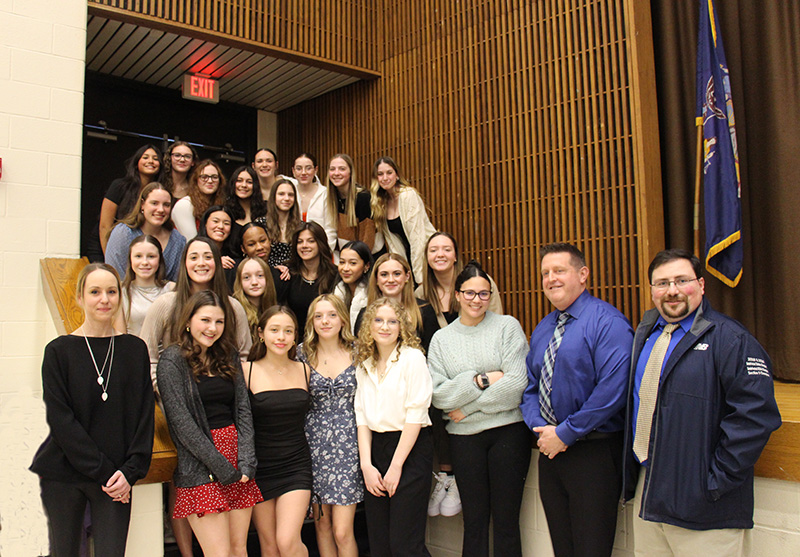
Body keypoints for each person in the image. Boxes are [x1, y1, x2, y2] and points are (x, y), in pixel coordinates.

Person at [622, 249, 781, 556]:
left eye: (682, 280)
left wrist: (713, 483)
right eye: (662, 283)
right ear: (652, 290)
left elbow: (756, 417)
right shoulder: (645, 335)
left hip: (706, 509)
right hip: (650, 496)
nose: (672, 290)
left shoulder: (732, 339)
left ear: (702, 285)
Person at [30, 263, 154, 556]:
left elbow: (143, 416)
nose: (104, 299)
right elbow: (61, 422)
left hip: (117, 478)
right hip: (65, 476)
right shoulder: (59, 351)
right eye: (95, 292)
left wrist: (130, 472)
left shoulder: (134, 349)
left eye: (111, 291)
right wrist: (105, 472)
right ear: (80, 297)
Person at [519, 243, 632, 557]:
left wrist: (566, 433)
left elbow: (613, 390)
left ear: (583, 275)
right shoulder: (544, 328)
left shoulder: (607, 323)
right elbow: (531, 387)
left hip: (593, 454)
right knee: (562, 548)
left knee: (591, 549)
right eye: (545, 273)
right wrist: (543, 429)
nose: (551, 278)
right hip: (552, 452)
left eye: (559, 270)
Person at [427, 261, 530, 555]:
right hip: (464, 440)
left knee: (507, 522)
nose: (477, 300)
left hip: (508, 434)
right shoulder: (441, 340)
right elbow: (440, 396)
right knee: (473, 522)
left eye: (483, 294)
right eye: (469, 293)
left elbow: (516, 385)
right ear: (457, 295)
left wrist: (468, 409)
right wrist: (483, 379)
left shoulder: (507, 327)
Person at [157, 291, 262, 557]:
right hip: (199, 463)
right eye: (205, 320)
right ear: (188, 321)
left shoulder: (228, 354)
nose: (212, 328)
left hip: (236, 456)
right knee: (219, 553)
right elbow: (182, 425)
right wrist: (220, 466)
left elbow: (242, 409)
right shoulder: (172, 360)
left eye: (219, 322)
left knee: (239, 549)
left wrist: (247, 458)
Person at [354, 298, 433, 557]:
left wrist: (396, 466)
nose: (385, 327)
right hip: (375, 451)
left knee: (405, 545)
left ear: (402, 326)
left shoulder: (413, 359)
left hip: (409, 450)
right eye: (378, 320)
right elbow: (362, 417)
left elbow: (416, 414)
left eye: (392, 321)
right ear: (369, 326)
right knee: (380, 545)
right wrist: (366, 465)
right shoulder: (363, 364)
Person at [140, 237, 252, 390]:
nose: (201, 263)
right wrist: (166, 391)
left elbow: (245, 357)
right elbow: (146, 355)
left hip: (222, 394)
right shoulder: (165, 304)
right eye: (193, 257)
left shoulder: (233, 307)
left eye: (208, 257)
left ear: (217, 263)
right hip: (178, 395)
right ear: (185, 264)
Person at [300, 294, 364, 557]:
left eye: (331, 315)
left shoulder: (359, 351)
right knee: (322, 524)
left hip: (349, 444)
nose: (325, 321)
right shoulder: (300, 354)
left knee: (342, 529)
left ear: (342, 318)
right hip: (312, 445)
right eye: (318, 316)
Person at [246, 306, 312, 557]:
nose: (281, 337)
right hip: (259, 467)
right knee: (270, 546)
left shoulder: (304, 370)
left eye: (288, 331)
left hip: (296, 465)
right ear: (261, 333)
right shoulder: (246, 370)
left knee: (287, 541)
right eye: (274, 330)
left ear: (295, 336)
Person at [370, 156, 436, 284]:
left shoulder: (408, 195)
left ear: (397, 175)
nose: (385, 178)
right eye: (380, 174)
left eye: (389, 173)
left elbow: (418, 240)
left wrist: (419, 279)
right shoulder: (381, 203)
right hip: (408, 260)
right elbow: (394, 244)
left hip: (425, 258)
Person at [353, 253, 439, 352]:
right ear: (377, 279)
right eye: (384, 274)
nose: (391, 280)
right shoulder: (364, 314)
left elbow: (432, 354)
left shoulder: (425, 311)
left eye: (397, 274)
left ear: (407, 276)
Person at [416, 232, 503, 327]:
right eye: (433, 250)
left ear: (455, 256)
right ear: (427, 258)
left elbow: (497, 323)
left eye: (447, 250)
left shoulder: (481, 282)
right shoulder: (421, 294)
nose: (440, 254)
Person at [105, 182, 186, 281]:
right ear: (142, 205)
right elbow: (114, 276)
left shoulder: (177, 240)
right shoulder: (123, 233)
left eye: (166, 205)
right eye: (154, 203)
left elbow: (178, 283)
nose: (161, 209)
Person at [99, 144, 162, 253]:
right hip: (109, 246)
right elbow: (105, 225)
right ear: (137, 162)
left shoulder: (161, 192)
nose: (151, 161)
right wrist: (108, 255)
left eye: (155, 159)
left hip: (141, 250)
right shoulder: (119, 186)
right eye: (145, 157)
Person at [279, 221, 338, 323]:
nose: (304, 246)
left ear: (320, 244)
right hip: (295, 335)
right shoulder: (288, 273)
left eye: (310, 241)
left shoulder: (335, 274)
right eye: (300, 242)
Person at [116, 235, 175, 336]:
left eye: (151, 256)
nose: (144, 262)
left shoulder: (172, 289)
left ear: (159, 260)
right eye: (138, 256)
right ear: (130, 259)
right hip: (131, 349)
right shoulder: (120, 291)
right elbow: (120, 336)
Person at [325, 154, 377, 254]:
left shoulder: (363, 198)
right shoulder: (332, 199)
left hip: (367, 259)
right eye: (332, 169)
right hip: (348, 259)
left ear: (350, 172)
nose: (336, 173)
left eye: (342, 169)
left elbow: (367, 240)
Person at [292, 153, 337, 251]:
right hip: (296, 252)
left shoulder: (325, 194)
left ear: (315, 170)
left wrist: (324, 252)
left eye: (308, 168)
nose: (303, 173)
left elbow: (331, 230)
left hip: (322, 252)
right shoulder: (289, 193)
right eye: (299, 169)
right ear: (293, 171)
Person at [172, 160, 226, 240]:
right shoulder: (185, 205)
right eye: (204, 177)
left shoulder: (220, 204)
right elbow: (191, 241)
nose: (210, 181)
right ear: (196, 180)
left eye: (214, 177)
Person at [232, 256, 278, 345]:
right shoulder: (235, 312)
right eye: (246, 277)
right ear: (240, 282)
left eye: (260, 276)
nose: (254, 282)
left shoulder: (275, 310)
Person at [258, 178, 302, 268]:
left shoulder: (301, 226)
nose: (286, 198)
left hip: (294, 274)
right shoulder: (260, 224)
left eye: (290, 195)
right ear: (273, 197)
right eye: (281, 194)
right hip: (267, 273)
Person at [333, 240, 372, 332]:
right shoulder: (336, 292)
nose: (345, 268)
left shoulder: (374, 294)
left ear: (366, 266)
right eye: (342, 262)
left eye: (353, 263)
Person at [225, 165, 267, 247]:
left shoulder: (266, 209)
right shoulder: (226, 212)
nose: (244, 185)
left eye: (249, 182)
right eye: (239, 181)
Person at [198, 205, 238, 285]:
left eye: (226, 223)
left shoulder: (233, 259)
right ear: (205, 224)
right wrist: (215, 261)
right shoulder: (194, 247)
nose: (221, 226)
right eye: (215, 221)